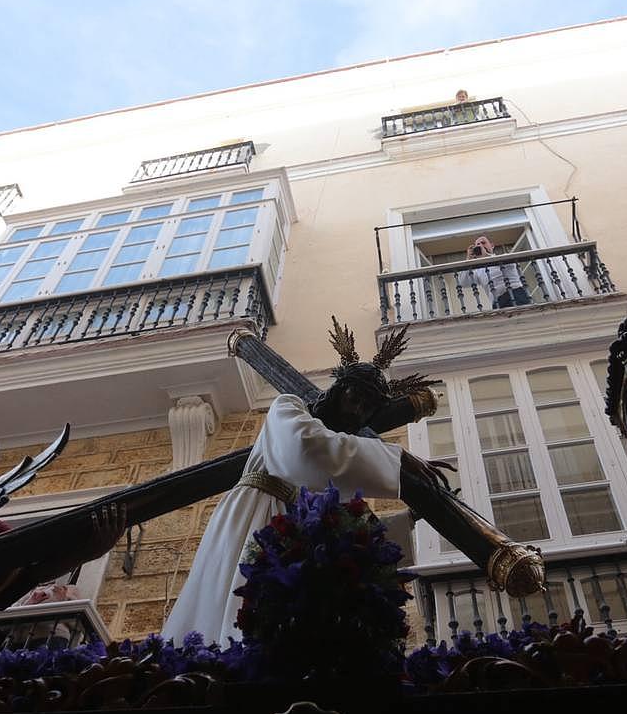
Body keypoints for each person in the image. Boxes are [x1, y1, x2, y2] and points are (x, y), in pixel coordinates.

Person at [162, 319, 446, 646]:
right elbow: (306, 451)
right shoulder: (289, 409)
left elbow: (352, 528)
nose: (358, 410)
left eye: (368, 407)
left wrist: (408, 520)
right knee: (237, 618)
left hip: (298, 545)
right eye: (356, 397)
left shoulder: (337, 468)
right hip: (256, 516)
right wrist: (398, 459)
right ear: (339, 390)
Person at [454, 235, 532, 309]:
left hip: (516, 294)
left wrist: (486, 256)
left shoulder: (504, 257)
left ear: (492, 245)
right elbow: (463, 282)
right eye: (478, 245)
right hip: (497, 302)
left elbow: (507, 263)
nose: (481, 246)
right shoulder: (478, 270)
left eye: (483, 243)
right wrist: (469, 260)